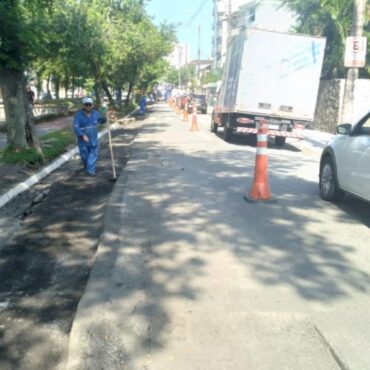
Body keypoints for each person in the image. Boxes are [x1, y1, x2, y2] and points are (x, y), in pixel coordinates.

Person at [73, 97, 107, 176]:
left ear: (92, 105)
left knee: (94, 153)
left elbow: (101, 121)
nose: (88, 106)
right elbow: (75, 127)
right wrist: (82, 135)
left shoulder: (96, 113)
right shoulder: (78, 115)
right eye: (86, 104)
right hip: (83, 139)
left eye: (89, 104)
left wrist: (104, 118)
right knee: (84, 155)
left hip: (93, 137)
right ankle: (87, 167)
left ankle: (91, 171)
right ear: (83, 105)